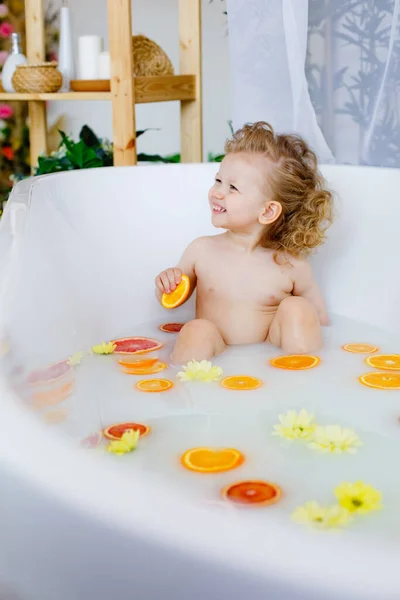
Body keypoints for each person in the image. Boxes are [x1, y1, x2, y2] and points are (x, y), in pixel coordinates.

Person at [155, 121, 333, 364]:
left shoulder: (291, 264)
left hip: (272, 354)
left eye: (232, 187)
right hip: (215, 352)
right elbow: (171, 299)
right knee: (196, 331)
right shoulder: (202, 250)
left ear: (268, 211)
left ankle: (301, 378)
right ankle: (191, 390)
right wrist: (166, 282)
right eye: (218, 181)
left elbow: (319, 319)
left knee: (299, 309)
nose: (217, 192)